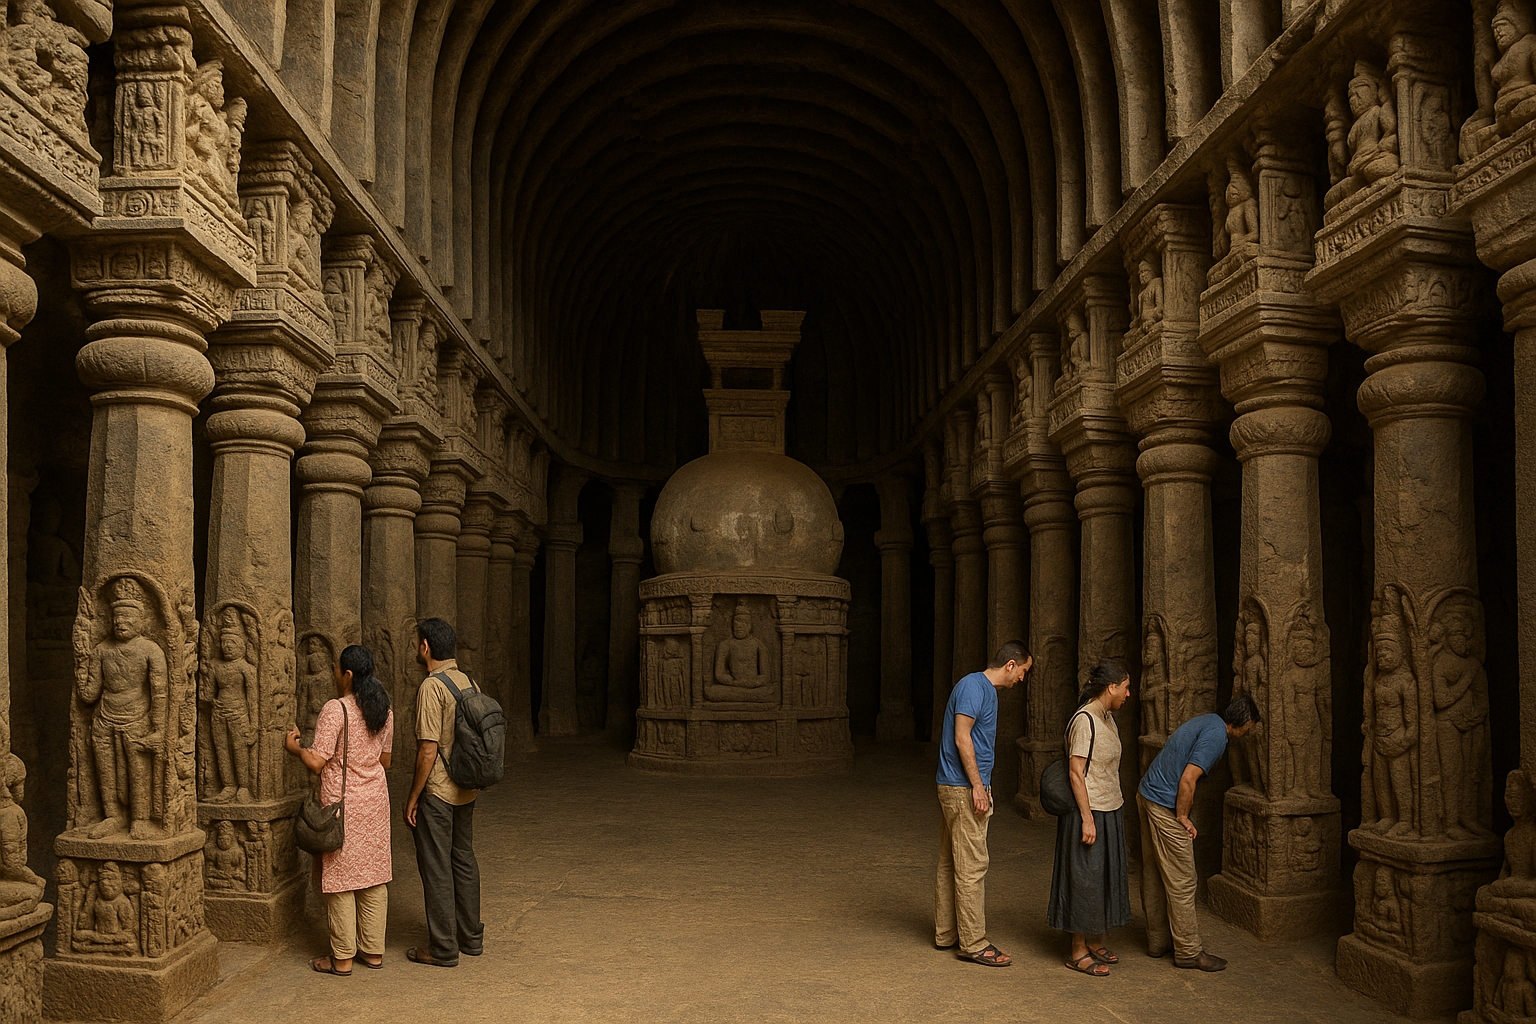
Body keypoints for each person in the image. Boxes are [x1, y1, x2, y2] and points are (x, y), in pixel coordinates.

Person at [285, 644, 394, 976]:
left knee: (341, 878)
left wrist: (295, 748)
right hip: (375, 803)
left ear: (347, 674)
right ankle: (373, 951)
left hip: (341, 806)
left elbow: (318, 762)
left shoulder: (337, 709)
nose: (334, 674)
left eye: (336, 669)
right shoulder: (384, 710)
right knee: (374, 877)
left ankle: (342, 957)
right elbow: (385, 760)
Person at [1137, 694, 1260, 972]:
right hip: (1162, 803)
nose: (1249, 733)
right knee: (1183, 879)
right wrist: (1182, 816)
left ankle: (1158, 941)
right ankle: (1189, 951)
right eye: (1250, 727)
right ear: (1243, 722)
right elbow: (1188, 778)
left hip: (1146, 793)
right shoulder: (1217, 736)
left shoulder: (1207, 721)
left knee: (1154, 872)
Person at [934, 640, 1032, 967]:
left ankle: (947, 933)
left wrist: (983, 784)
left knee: (953, 861)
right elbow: (963, 737)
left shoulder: (982, 690)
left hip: (962, 786)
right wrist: (977, 786)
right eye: (1023, 671)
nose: (1022, 678)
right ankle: (974, 942)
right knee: (973, 865)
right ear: (1010, 665)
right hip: (962, 787)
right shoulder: (974, 687)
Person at [404, 617, 484, 967]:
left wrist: (412, 798)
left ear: (426, 647)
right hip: (466, 787)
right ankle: (471, 937)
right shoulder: (470, 683)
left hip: (438, 789)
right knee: (463, 858)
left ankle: (443, 948)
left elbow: (427, 750)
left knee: (436, 866)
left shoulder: (431, 687)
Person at [1050, 660, 1133, 977]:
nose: (1128, 694)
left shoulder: (1106, 717)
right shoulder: (1085, 721)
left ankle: (1096, 940)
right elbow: (1075, 772)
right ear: (1111, 687)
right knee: (1085, 878)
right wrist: (1086, 818)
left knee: (1104, 875)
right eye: (1125, 688)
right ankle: (1077, 950)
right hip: (1091, 810)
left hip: (1109, 807)